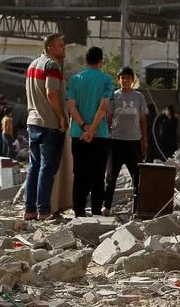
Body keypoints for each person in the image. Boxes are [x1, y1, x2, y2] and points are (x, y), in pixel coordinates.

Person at [67, 46, 116, 217]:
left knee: (79, 175)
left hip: (78, 134)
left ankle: (79, 212)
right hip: (100, 135)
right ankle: (96, 213)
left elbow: (71, 106)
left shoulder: (75, 80)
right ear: (101, 61)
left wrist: (84, 127)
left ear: (86, 60)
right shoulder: (106, 80)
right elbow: (103, 107)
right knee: (98, 176)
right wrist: (93, 129)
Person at [24, 34, 68, 221]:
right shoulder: (52, 66)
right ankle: (43, 210)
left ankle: (30, 210)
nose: (64, 48)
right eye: (60, 45)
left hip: (33, 121)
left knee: (34, 166)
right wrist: (61, 116)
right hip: (49, 124)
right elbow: (51, 93)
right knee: (47, 167)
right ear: (50, 48)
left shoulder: (33, 65)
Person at [105, 66, 148, 214]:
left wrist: (144, 139)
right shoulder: (114, 96)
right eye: (122, 78)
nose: (125, 80)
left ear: (132, 80)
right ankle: (106, 206)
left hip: (133, 141)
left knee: (137, 177)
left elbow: (142, 119)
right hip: (116, 141)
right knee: (111, 177)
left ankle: (137, 208)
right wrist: (106, 135)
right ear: (118, 80)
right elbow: (109, 117)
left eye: (127, 78)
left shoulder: (139, 97)